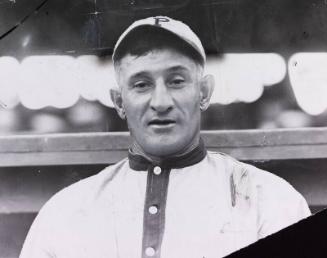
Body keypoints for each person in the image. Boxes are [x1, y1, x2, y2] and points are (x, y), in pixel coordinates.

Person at [20, 16, 311, 258]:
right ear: (119, 102)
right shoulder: (66, 212)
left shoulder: (270, 201)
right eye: (142, 84)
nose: (161, 101)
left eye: (176, 81)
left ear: (204, 92)